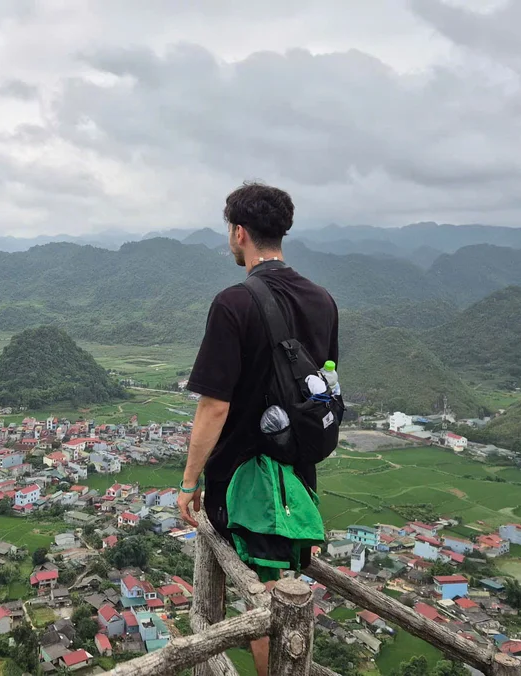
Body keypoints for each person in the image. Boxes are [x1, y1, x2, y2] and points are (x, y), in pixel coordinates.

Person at [177, 182, 338, 676]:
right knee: (281, 590)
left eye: (229, 230)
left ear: (238, 232)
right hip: (300, 478)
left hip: (248, 484)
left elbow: (214, 408)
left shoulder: (234, 303)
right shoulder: (323, 300)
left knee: (267, 602)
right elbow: (323, 387)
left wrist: (188, 484)